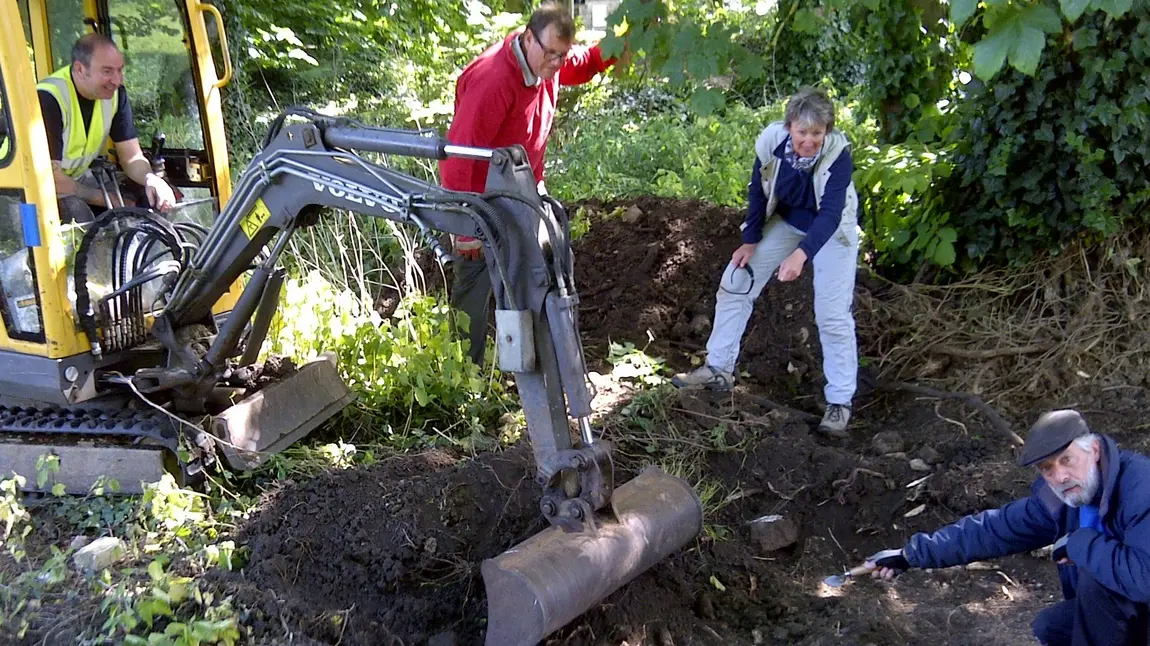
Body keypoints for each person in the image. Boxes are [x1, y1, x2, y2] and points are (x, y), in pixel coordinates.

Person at [866, 409, 1150, 646]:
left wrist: (1080, 543)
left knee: (1095, 582)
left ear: (1095, 450)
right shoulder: (1065, 498)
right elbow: (995, 528)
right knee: (1052, 627)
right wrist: (910, 554)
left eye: (1066, 459)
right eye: (1047, 468)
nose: (1060, 476)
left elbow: (1145, 578)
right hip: (1128, 612)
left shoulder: (1141, 486)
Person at [671, 87, 860, 437]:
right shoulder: (771, 143)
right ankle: (718, 368)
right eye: (803, 132)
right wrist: (750, 240)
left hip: (832, 232)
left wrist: (801, 256)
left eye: (817, 133)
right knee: (735, 280)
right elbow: (758, 190)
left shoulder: (838, 155)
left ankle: (839, 402)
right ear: (789, 127)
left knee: (832, 314)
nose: (809, 140)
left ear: (827, 131)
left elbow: (832, 214)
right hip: (787, 221)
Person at [439, 2, 616, 365]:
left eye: (561, 56)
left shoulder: (548, 65)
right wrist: (466, 225)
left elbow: (582, 65)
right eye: (550, 53)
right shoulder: (494, 79)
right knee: (476, 280)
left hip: (524, 189)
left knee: (538, 273)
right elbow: (460, 154)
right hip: (483, 195)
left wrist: (615, 49)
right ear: (527, 37)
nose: (556, 63)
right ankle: (462, 371)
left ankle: (524, 362)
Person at [38, 34, 176, 223]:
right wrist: (109, 200)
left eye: (120, 71)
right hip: (24, 191)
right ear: (80, 69)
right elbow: (52, 181)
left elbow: (131, 157)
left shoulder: (115, 95)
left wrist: (150, 179)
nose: (116, 80)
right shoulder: (49, 98)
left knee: (147, 199)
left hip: (75, 179)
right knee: (79, 213)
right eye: (107, 71)